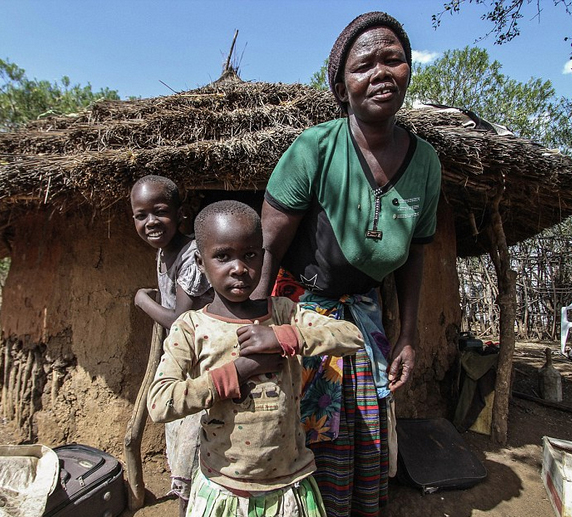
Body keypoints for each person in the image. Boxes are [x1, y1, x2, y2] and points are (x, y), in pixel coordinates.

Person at [256, 12, 442, 517]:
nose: (381, 72)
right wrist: (256, 334)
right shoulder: (313, 149)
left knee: (362, 439)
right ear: (341, 87)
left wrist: (407, 333)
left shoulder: (425, 163)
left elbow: (415, 254)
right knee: (299, 436)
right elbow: (267, 252)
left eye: (393, 59)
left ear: (408, 69)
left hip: (364, 322)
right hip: (302, 316)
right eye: (364, 65)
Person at [147, 200, 364, 517]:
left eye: (250, 255)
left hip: (289, 486)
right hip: (225, 488)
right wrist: (238, 371)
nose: (238, 267)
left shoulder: (283, 313)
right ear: (200, 261)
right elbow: (160, 402)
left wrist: (283, 337)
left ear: (263, 257)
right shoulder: (192, 328)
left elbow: (351, 336)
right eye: (222, 256)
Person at [130, 175, 213, 515]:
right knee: (183, 447)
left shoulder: (192, 255)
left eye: (160, 212)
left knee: (196, 451)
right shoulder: (165, 253)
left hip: (203, 366)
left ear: (182, 213)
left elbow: (182, 319)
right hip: (182, 365)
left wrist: (142, 301)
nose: (151, 222)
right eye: (141, 215)